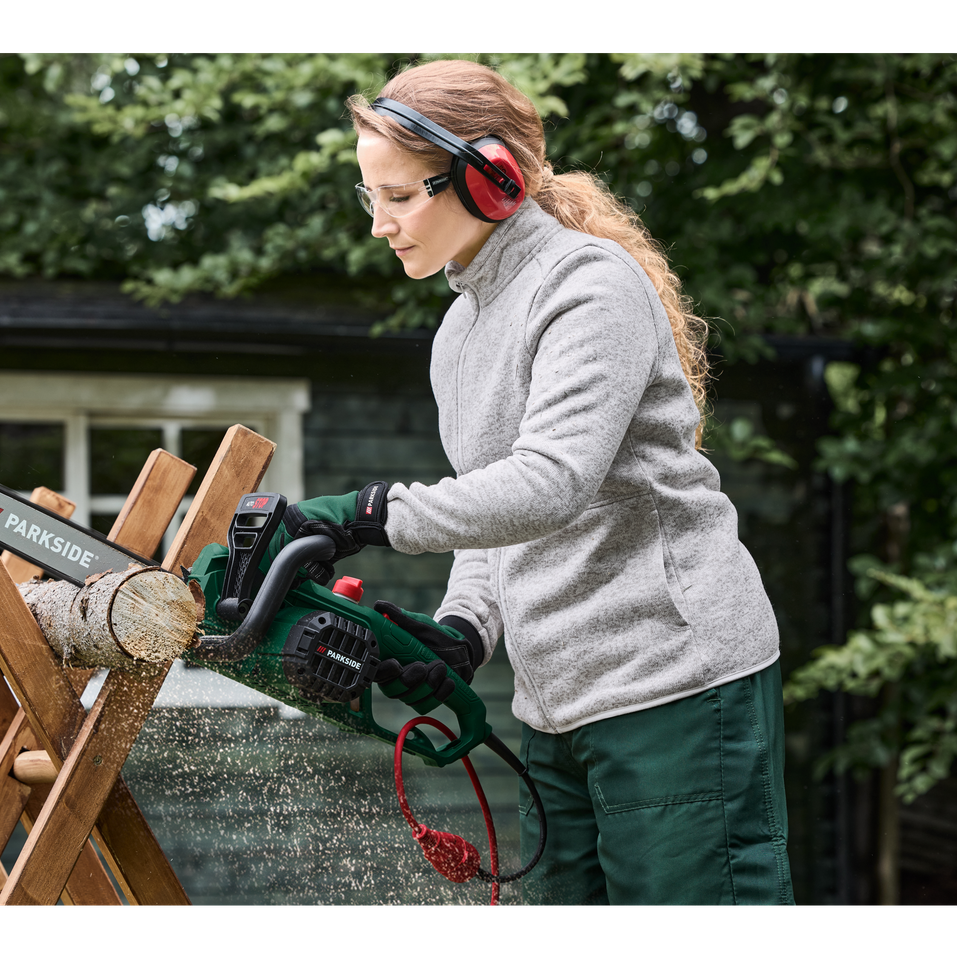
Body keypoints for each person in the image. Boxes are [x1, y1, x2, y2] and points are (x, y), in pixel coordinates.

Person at [277, 60, 794, 907]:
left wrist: (373, 513)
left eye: (399, 196)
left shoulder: (588, 285)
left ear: (491, 178)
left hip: (673, 679)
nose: (379, 223)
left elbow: (551, 482)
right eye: (370, 196)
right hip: (554, 705)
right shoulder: (458, 331)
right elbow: (494, 506)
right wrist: (462, 631)